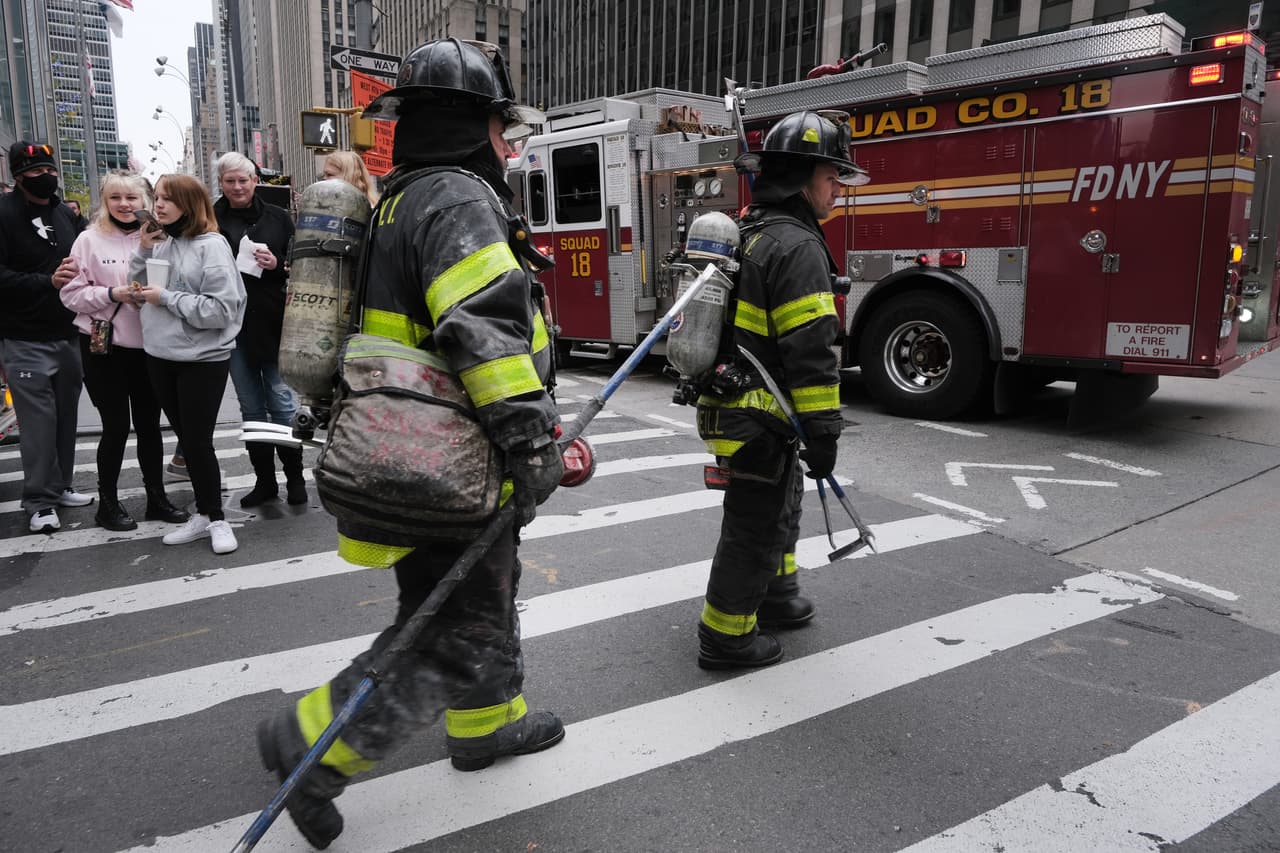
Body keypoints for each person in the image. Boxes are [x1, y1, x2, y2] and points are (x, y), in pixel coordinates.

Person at [255, 38, 564, 848]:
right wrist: (530, 440)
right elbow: (484, 329)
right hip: (447, 457)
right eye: (504, 128)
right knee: (454, 624)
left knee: (473, 596)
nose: (510, 146)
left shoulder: (401, 196)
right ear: (472, 124)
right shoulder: (458, 198)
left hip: (401, 447)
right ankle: (313, 744)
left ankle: (487, 724)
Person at [693, 111, 863, 670]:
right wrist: (824, 428)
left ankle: (778, 596)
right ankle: (727, 637)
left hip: (739, 406)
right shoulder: (796, 246)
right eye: (832, 175)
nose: (839, 187)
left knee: (777, 505)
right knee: (755, 523)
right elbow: (811, 350)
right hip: (759, 413)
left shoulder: (751, 231)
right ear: (802, 177)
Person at [59, 171, 189, 530]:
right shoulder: (87, 240)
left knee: (150, 426)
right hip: (104, 346)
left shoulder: (162, 238)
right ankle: (108, 504)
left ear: (144, 201)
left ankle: (156, 498)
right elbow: (70, 295)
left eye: (131, 198)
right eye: (115, 197)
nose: (124, 204)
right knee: (115, 426)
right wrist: (112, 294)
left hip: (151, 347)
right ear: (104, 200)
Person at [130, 173, 246, 554]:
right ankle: (203, 513)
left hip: (203, 360)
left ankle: (216, 519)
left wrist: (167, 298)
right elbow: (137, 294)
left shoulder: (211, 247)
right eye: (157, 197)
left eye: (167, 199)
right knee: (188, 440)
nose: (158, 205)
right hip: (159, 357)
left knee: (197, 443)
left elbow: (221, 309)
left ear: (189, 204)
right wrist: (143, 253)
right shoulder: (161, 243)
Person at [0, 140, 93, 533]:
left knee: (65, 418)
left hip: (68, 333)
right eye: (35, 174)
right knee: (37, 424)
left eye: (49, 171)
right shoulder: (2, 214)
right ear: (18, 177)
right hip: (24, 337)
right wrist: (45, 282)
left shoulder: (64, 213)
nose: (46, 178)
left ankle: (61, 485)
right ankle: (38, 500)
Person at [212, 152, 304, 507]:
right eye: (230, 181)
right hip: (232, 326)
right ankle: (265, 482)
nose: (237, 187)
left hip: (273, 321)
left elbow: (299, 265)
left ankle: (295, 478)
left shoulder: (279, 218)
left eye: (243, 180)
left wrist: (277, 263)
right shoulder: (210, 220)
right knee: (251, 407)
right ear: (221, 183)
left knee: (282, 403)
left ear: (255, 181)